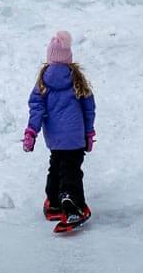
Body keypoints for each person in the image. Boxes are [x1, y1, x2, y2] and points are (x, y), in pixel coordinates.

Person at [22, 30, 96, 224]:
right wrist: (89, 133)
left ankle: (54, 201)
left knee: (55, 168)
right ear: (69, 59)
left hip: (55, 140)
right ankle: (70, 200)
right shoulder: (77, 80)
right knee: (71, 170)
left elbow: (36, 109)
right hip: (75, 139)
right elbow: (89, 110)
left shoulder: (42, 83)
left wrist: (31, 132)